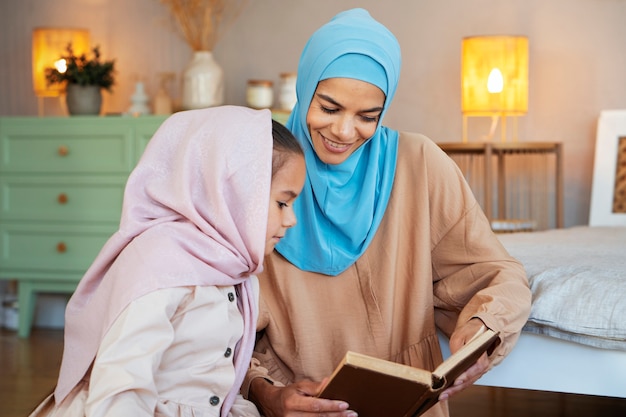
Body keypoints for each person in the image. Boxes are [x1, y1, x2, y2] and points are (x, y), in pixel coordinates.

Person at [242, 8, 532, 417]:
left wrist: (484, 330)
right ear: (305, 91)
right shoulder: (262, 168)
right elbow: (220, 322)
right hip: (301, 408)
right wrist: (265, 392)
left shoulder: (419, 164)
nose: (344, 132)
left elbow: (495, 271)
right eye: (328, 108)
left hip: (409, 408)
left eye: (367, 117)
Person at [28, 105, 306, 417]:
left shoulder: (236, 271)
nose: (291, 219)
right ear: (233, 192)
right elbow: (121, 388)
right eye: (283, 202)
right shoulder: (161, 266)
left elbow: (216, 383)